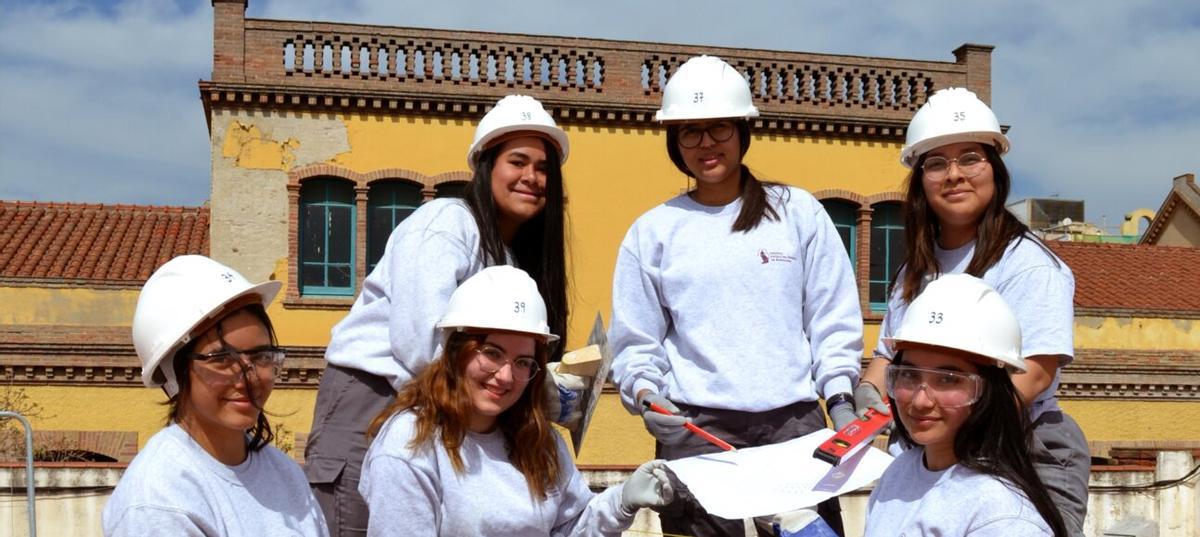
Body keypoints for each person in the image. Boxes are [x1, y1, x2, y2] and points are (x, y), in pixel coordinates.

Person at [609, 55, 863, 537]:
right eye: (690, 131)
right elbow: (636, 343)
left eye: (719, 127)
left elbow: (832, 318)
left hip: (794, 428)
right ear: (673, 140)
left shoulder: (797, 213)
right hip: (695, 431)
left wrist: (841, 394)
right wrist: (646, 397)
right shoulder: (654, 232)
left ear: (743, 130)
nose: (706, 143)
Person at [303, 95, 575, 535]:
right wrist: (509, 392)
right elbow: (420, 340)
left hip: (447, 404)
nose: (532, 177)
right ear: (486, 165)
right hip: (372, 398)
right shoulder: (446, 222)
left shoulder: (507, 257)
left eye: (543, 168)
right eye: (518, 162)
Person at [854, 87, 1090, 535]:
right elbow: (889, 356)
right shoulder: (916, 269)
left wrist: (937, 428)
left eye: (970, 158)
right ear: (921, 179)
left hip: (1026, 445)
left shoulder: (1029, 264)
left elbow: (1034, 373)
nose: (954, 174)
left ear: (995, 170)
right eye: (937, 163)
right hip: (937, 443)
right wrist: (869, 401)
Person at [360, 266, 674, 536]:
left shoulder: (538, 440)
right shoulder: (412, 445)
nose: (506, 376)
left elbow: (571, 528)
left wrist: (621, 501)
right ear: (456, 349)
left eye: (523, 362)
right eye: (492, 353)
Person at [103, 255, 327, 536]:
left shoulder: (283, 472)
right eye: (222, 358)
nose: (250, 377)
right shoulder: (159, 500)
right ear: (175, 368)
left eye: (261, 356)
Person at [864, 273, 1068, 536]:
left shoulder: (1002, 519)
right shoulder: (899, 473)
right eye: (909, 374)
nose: (920, 400)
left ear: (989, 390)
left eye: (948, 380)